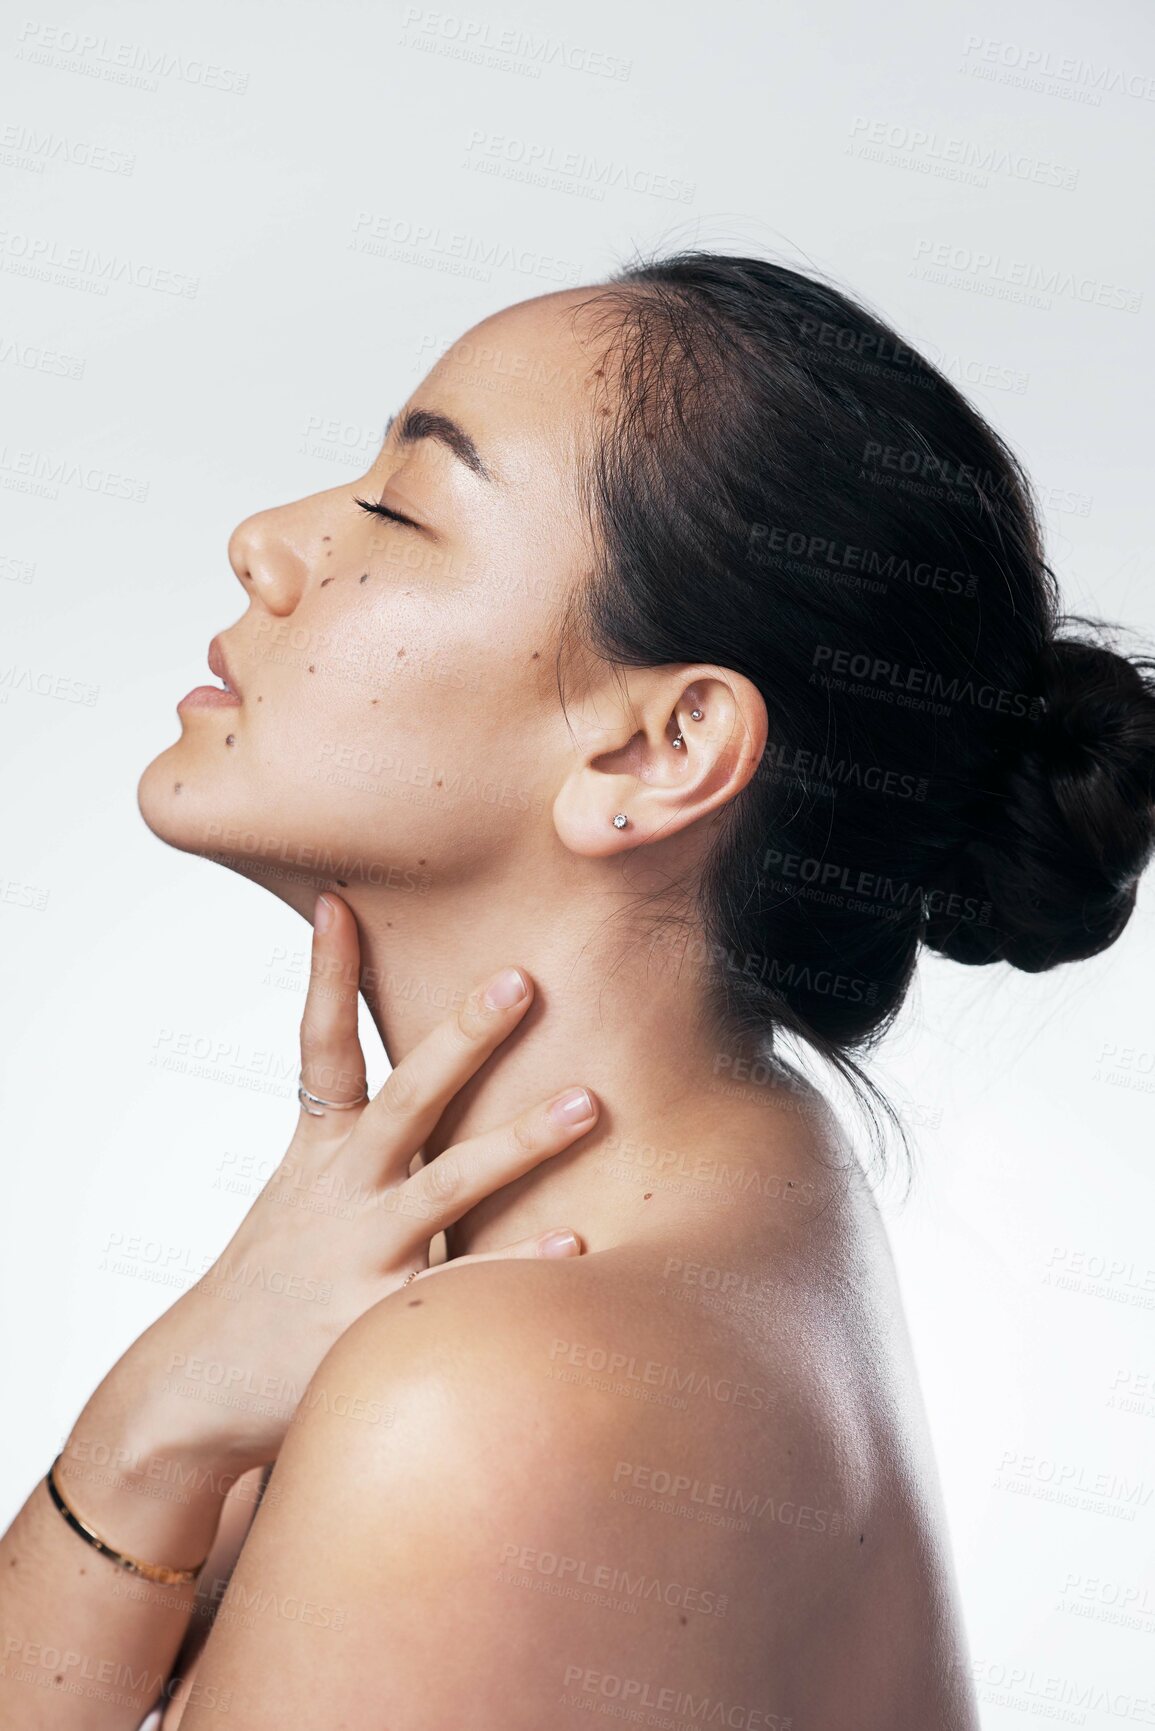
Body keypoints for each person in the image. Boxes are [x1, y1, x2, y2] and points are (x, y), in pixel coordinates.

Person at [3, 249, 1155, 1730]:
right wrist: (175, 1421)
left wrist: (145, 1434)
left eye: (398, 512)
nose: (266, 543)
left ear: (659, 751)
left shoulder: (492, 1394)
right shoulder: (739, 1204)